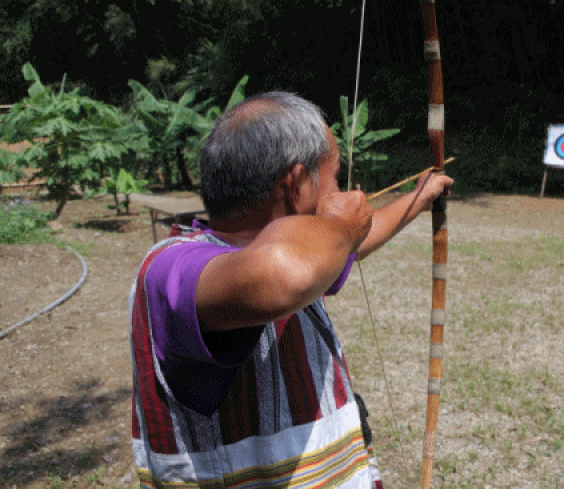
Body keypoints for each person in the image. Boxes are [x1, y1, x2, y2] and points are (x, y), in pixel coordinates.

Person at [129, 91, 453, 488]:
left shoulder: (310, 255)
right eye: (335, 176)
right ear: (296, 185)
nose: (341, 190)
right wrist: (339, 228)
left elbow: (354, 243)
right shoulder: (173, 266)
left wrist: (419, 198)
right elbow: (284, 276)